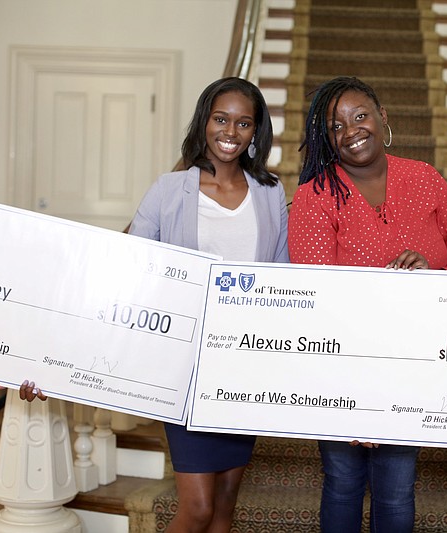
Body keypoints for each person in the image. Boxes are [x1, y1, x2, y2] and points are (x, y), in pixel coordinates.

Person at [287, 76, 447, 532]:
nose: (351, 130)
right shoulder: (315, 197)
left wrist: (430, 277)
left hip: (412, 364)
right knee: (342, 481)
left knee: (396, 489)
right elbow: (318, 301)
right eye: (336, 125)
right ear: (325, 137)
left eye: (360, 116)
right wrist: (356, 393)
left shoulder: (426, 179)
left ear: (382, 117)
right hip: (340, 366)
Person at [128, 76, 288, 532]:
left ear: (256, 132)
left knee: (223, 504)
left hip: (243, 364)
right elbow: (132, 266)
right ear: (205, 121)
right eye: (221, 119)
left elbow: (281, 276)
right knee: (196, 508)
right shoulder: (168, 188)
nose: (230, 132)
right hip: (184, 366)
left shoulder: (271, 192)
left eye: (243, 123)